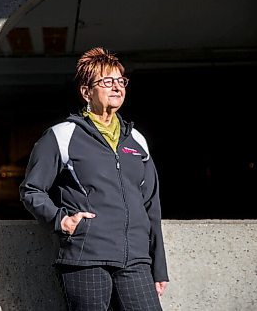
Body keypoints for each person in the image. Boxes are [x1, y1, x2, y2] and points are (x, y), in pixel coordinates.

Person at [19, 47, 169, 311]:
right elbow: (32, 190)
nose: (117, 87)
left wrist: (158, 266)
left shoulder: (137, 141)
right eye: (106, 81)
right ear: (86, 92)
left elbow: (151, 208)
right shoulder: (61, 136)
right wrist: (61, 220)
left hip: (135, 260)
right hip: (86, 257)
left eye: (121, 81)